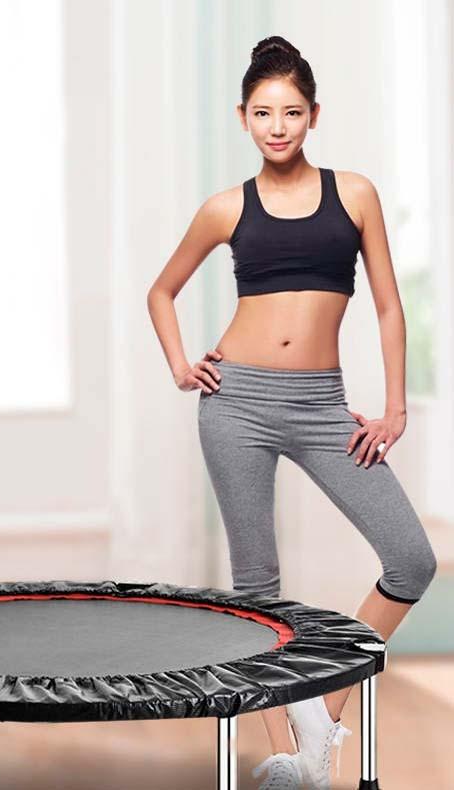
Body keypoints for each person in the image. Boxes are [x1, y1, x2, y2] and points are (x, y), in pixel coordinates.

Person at [146, 35, 437, 790]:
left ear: (314, 116)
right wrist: (184, 365)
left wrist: (394, 407)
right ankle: (299, 763)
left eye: (293, 112)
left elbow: (388, 307)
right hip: (235, 402)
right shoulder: (225, 208)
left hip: (320, 405)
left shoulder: (356, 194)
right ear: (244, 117)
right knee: (256, 585)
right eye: (264, 113)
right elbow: (161, 290)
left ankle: (320, 716)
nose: (278, 126)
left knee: (411, 558)